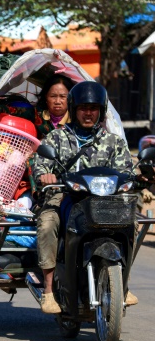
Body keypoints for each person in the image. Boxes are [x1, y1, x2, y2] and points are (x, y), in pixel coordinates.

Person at [33, 81, 136, 313]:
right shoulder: (57, 138)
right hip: (64, 195)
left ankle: (124, 283)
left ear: (101, 110)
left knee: (132, 221)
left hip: (103, 200)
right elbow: (40, 165)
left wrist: (131, 180)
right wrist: (45, 175)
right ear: (74, 109)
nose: (88, 113)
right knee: (48, 224)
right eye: (82, 108)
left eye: (93, 108)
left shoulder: (114, 141)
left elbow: (126, 170)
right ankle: (48, 291)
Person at [35, 75, 74, 139]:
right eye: (53, 96)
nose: (57, 102)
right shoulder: (36, 115)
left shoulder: (75, 120)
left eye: (62, 96)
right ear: (46, 97)